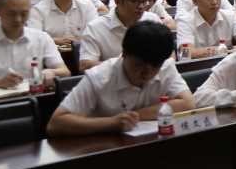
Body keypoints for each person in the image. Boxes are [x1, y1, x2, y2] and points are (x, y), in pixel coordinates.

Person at [47, 22, 193, 137]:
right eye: (139, 65)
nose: (147, 73)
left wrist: (136, 116)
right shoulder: (99, 77)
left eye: (155, 66)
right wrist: (111, 123)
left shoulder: (166, 66)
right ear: (124, 54)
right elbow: (55, 124)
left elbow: (187, 103)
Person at [79, 0, 162, 70]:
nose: (141, 6)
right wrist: (125, 66)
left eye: (144, 1)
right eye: (135, 1)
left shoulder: (152, 19)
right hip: (111, 78)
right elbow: (85, 65)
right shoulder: (96, 28)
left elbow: (169, 54)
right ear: (117, 1)